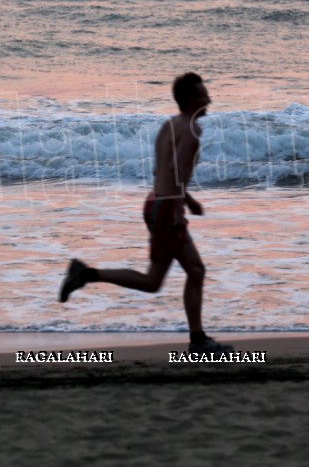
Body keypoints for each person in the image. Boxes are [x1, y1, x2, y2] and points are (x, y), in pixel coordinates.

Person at [58, 72, 231, 353]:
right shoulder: (191, 130)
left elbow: (159, 170)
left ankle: (87, 275)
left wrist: (186, 200)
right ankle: (197, 340)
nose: (209, 98)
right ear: (190, 100)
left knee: (173, 276)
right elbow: (175, 171)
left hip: (157, 203)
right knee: (181, 274)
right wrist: (178, 206)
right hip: (166, 209)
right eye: (203, 94)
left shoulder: (169, 125)